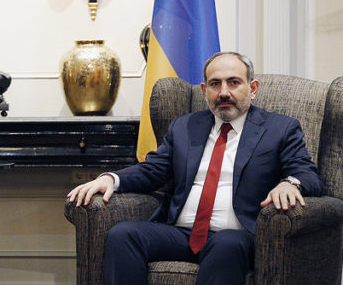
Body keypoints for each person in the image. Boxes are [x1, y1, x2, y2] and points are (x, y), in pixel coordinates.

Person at [66, 51, 322, 285]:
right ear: (204, 90)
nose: (224, 92)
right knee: (124, 234)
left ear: (252, 88)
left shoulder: (279, 128)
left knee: (226, 244)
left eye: (233, 82)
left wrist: (290, 183)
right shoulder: (185, 126)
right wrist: (111, 179)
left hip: (237, 235)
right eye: (215, 84)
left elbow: (307, 173)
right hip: (180, 232)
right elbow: (153, 170)